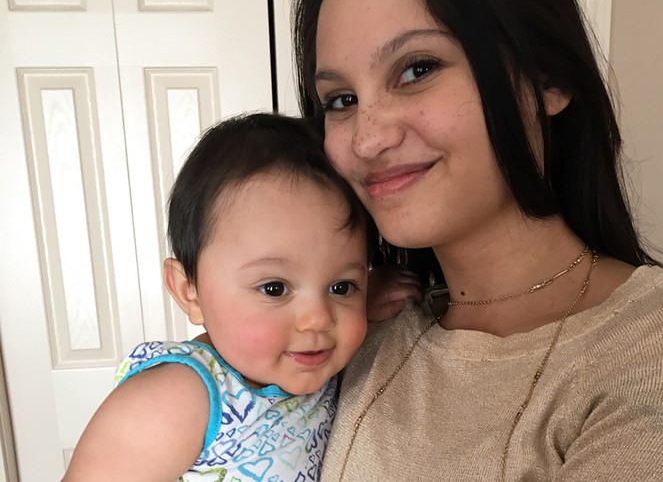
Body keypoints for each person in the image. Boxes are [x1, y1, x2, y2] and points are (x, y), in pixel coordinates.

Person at [292, 0, 663, 480]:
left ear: (548, 78)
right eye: (341, 100)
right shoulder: (351, 331)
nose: (367, 139)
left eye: (417, 68)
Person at [62, 113, 420, 481]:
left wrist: (367, 298)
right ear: (190, 292)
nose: (318, 318)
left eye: (341, 287)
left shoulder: (310, 363)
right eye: (274, 289)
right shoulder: (178, 397)